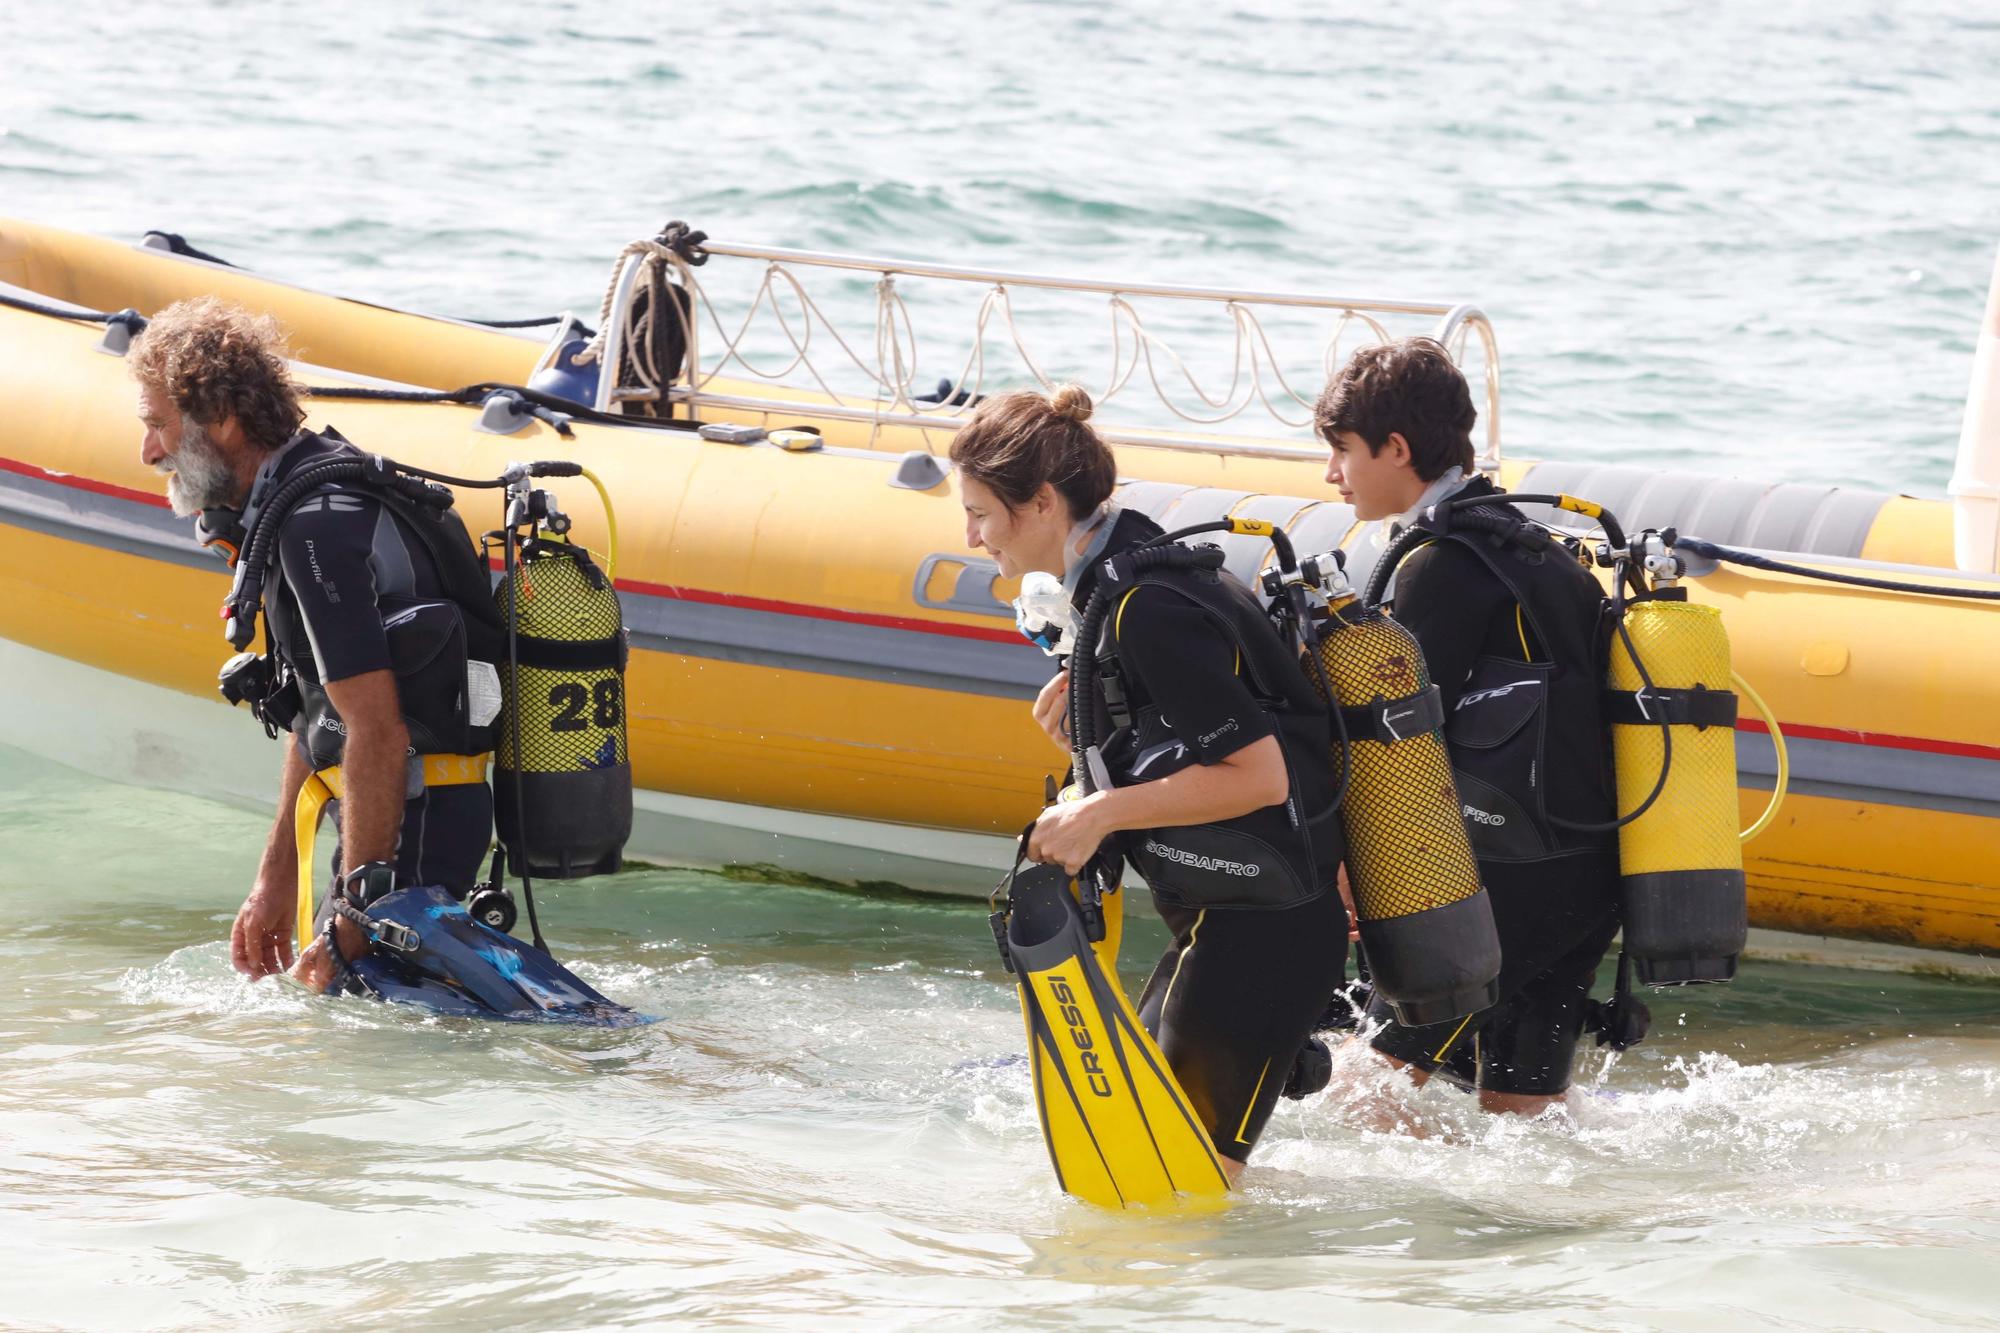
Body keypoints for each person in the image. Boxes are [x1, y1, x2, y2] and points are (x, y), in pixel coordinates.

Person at [955, 384, 1349, 1184]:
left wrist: (1101, 810)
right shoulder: (1120, 581)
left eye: (981, 514)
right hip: (1228, 920)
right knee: (1155, 1173)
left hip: (1264, 927)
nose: (971, 536)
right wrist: (1092, 741)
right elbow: (1191, 748)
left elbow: (1259, 775)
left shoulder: (1146, 606)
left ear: (1039, 503)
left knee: (1176, 1190)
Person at [132, 297, 499, 993]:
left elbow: (377, 730)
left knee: (352, 1024)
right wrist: (275, 877)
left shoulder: (314, 526)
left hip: (413, 827)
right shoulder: (296, 500)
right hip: (399, 822)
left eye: (158, 425)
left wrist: (354, 918)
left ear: (223, 420)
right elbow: (317, 714)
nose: (149, 450)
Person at [1316, 337, 1622, 1117]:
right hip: (1593, 871)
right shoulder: (1533, 546)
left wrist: (1349, 865)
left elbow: (1391, 745)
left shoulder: (1440, 565)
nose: (1330, 474)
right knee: (1525, 1117)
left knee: (1363, 1095)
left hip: (1509, 880)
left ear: (1396, 448)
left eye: (1342, 451)